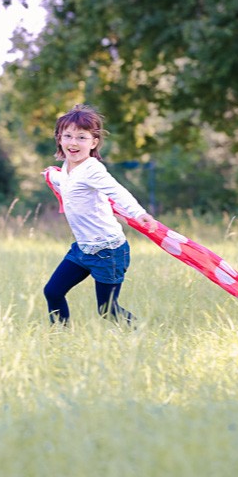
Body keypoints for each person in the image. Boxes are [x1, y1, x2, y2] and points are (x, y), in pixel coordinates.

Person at [43, 105, 158, 326]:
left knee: (107, 311)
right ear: (59, 138)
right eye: (67, 136)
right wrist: (51, 175)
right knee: (53, 291)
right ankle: (60, 338)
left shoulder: (92, 169)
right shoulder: (67, 167)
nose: (73, 143)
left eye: (81, 137)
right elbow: (67, 182)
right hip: (83, 249)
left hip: (109, 251)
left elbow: (116, 190)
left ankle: (141, 332)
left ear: (93, 142)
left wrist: (138, 213)